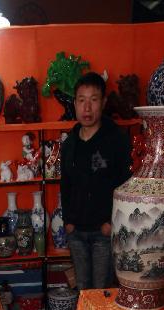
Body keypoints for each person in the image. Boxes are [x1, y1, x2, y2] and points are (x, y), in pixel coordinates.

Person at [60, 72, 131, 290]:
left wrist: (112, 223)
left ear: (103, 102)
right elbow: (65, 185)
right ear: (75, 103)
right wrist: (68, 222)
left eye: (93, 100)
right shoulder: (69, 143)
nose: (87, 108)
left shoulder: (116, 139)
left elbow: (124, 184)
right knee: (82, 287)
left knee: (102, 288)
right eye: (81, 100)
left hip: (104, 231)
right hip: (76, 230)